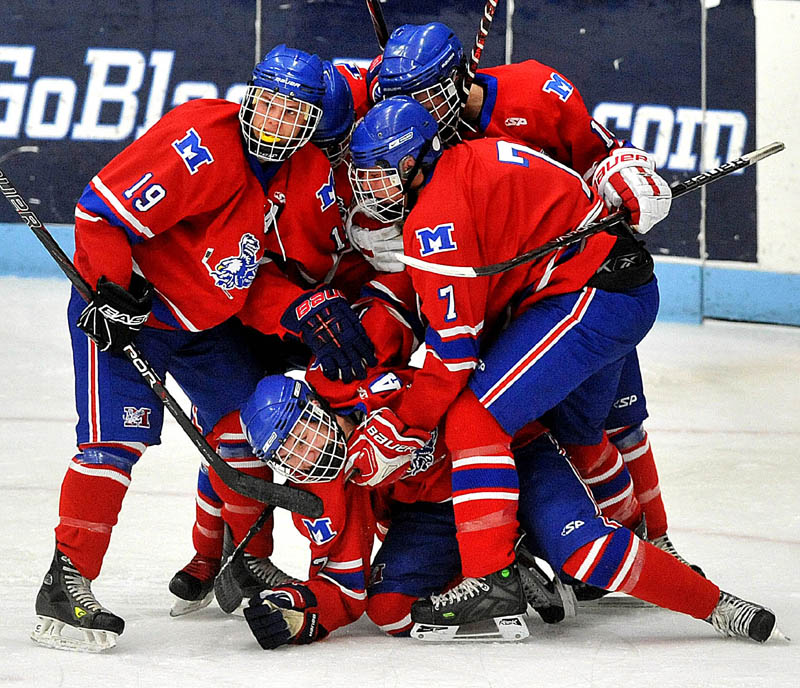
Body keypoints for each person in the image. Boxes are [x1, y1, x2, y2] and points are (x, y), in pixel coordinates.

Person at [343, 95, 766, 640]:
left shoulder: (432, 224)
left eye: (381, 174)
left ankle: (490, 578)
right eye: (363, 174)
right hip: (616, 284)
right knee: (583, 432)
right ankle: (666, 562)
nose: (370, 190)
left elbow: (452, 355)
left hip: (588, 296)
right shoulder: (475, 154)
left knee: (474, 422)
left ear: (416, 161)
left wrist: (406, 425)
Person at [31, 44, 376, 653]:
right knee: (114, 443)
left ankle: (246, 562)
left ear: (311, 126)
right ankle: (67, 581)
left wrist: (300, 309)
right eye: (268, 104)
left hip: (206, 326)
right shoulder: (199, 140)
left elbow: (249, 273)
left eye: (293, 115)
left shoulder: (303, 177)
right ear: (250, 97)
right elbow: (100, 213)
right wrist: (111, 289)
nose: (275, 122)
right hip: (131, 318)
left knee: (246, 431)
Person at [235, 271, 782, 645]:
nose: (307, 454)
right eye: (289, 453)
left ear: (317, 404)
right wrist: (297, 609)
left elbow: (435, 328)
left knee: (587, 555)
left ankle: (717, 605)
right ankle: (512, 571)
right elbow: (342, 585)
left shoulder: (352, 366)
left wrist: (408, 425)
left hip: (511, 454)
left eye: (303, 433)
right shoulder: (319, 487)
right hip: (433, 513)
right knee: (392, 612)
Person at [375, 21, 693, 569]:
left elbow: (604, 155)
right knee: (544, 428)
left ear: (461, 77)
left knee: (611, 423)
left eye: (426, 96)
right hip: (508, 297)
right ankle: (553, 546)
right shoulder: (411, 137)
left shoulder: (534, 92)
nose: (418, 113)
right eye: (404, 101)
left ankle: (654, 541)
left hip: (578, 281)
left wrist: (627, 176)